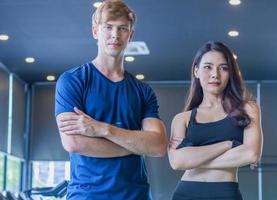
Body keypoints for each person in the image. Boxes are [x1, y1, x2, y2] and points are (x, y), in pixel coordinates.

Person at [55, 1, 167, 199]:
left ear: (130, 36)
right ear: (95, 31)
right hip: (87, 195)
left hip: (135, 195)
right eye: (108, 27)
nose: (115, 35)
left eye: (123, 28)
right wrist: (134, 146)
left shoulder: (143, 91)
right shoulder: (73, 80)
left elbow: (157, 145)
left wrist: (102, 129)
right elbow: (73, 143)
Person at [168, 41, 263, 200]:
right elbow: (177, 162)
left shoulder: (248, 109)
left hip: (226, 193)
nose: (215, 74)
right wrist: (228, 144)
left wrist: (192, 160)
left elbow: (251, 154)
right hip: (185, 193)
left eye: (223, 68)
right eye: (208, 67)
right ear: (196, 71)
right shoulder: (182, 119)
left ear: (230, 73)